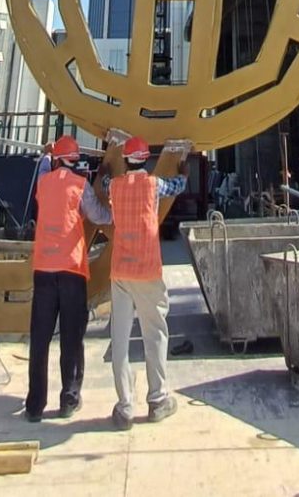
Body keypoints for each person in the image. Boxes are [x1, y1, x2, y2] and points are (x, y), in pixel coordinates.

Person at [103, 136, 189, 430]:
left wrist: (105, 169)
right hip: (147, 271)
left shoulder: (114, 186)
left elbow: (105, 184)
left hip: (121, 273)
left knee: (120, 340)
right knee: (155, 334)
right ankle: (157, 399)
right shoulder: (153, 185)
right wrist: (183, 170)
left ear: (126, 160)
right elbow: (178, 186)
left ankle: (125, 407)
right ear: (146, 160)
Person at [26, 135, 112, 424]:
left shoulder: (44, 182)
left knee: (40, 339)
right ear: (75, 161)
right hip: (72, 270)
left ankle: (35, 405)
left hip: (44, 270)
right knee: (72, 337)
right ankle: (69, 398)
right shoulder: (80, 185)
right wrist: (115, 206)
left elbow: (42, 167)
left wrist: (47, 155)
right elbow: (99, 216)